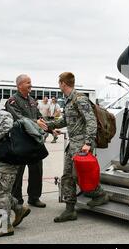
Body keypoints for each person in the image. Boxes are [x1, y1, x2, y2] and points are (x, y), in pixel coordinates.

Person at [37, 72, 109, 223]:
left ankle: (100, 194)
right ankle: (70, 210)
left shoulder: (80, 99)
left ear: (63, 83)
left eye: (59, 83)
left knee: (79, 176)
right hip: (73, 144)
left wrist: (88, 143)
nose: (59, 85)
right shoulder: (69, 100)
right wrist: (49, 125)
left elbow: (91, 122)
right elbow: (66, 121)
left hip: (82, 144)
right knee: (67, 176)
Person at [0, 90, 31, 238]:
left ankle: (4, 226)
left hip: (7, 159)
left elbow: (9, 128)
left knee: (1, 192)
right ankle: (18, 208)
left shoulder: (3, 114)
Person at [5, 74, 46, 208]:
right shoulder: (12, 101)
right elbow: (19, 118)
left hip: (34, 141)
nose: (30, 85)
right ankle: (17, 200)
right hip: (21, 142)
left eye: (30, 82)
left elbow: (40, 118)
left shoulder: (33, 101)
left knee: (36, 171)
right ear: (19, 85)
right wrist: (36, 122)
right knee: (18, 172)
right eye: (28, 82)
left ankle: (34, 197)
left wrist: (50, 129)